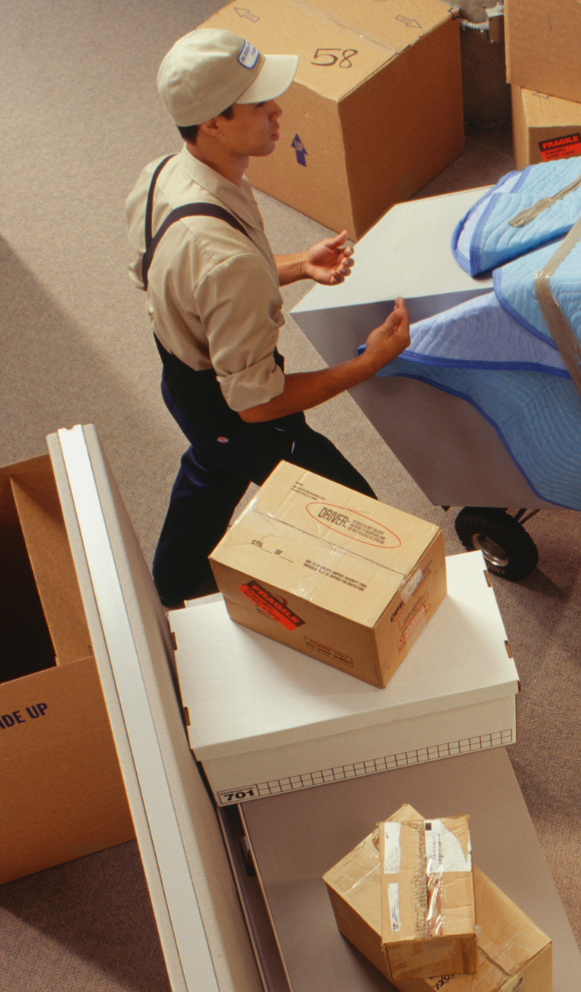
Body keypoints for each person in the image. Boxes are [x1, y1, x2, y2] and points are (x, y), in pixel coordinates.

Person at [128, 28, 410, 607]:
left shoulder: (163, 175)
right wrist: (368, 362)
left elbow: (183, 282)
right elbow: (257, 403)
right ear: (214, 121)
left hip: (184, 382)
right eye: (260, 103)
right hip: (237, 407)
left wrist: (298, 265)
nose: (278, 110)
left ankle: (175, 585)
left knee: (213, 460)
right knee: (357, 512)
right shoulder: (224, 260)